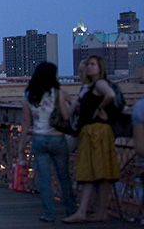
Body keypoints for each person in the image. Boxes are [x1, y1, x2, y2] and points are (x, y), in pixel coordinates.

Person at [17, 62, 77, 222]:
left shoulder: (28, 95)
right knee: (63, 177)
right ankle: (71, 210)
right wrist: (74, 104)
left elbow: (26, 121)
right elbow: (65, 116)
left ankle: (48, 213)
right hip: (57, 138)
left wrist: (21, 143)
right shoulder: (57, 93)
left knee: (44, 178)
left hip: (39, 138)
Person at [63, 55, 119, 224]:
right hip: (92, 132)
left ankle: (86, 211)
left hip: (96, 132)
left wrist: (98, 108)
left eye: (92, 65)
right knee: (99, 173)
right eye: (88, 65)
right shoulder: (87, 87)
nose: (88, 67)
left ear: (100, 67)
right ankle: (98, 211)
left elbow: (110, 95)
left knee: (94, 172)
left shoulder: (99, 83)